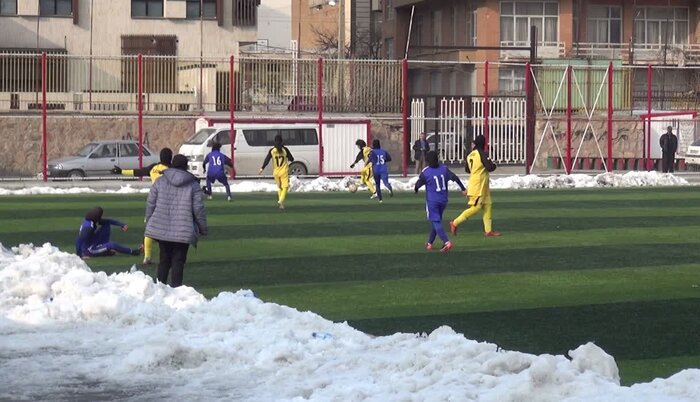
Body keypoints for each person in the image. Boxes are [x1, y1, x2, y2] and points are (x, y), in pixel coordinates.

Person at [145, 154, 208, 288]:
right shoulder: (193, 185)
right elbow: (198, 209)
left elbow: (150, 203)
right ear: (186, 166)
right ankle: (176, 291)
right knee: (178, 261)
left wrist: (150, 221)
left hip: (161, 227)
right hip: (183, 229)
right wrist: (203, 228)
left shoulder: (160, 181)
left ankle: (159, 289)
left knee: (164, 260)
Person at [112, 147, 173, 265]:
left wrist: (121, 171)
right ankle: (167, 256)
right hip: (167, 201)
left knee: (150, 228)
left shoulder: (153, 168)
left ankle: (147, 256)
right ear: (170, 158)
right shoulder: (171, 170)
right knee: (168, 228)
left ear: (160, 157)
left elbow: (137, 172)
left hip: (154, 199)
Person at [450, 135, 501, 237]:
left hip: (480, 184)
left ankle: (488, 230)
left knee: (488, 205)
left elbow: (467, 170)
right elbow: (490, 167)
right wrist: (494, 164)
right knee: (476, 208)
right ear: (483, 143)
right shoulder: (482, 154)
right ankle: (455, 222)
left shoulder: (470, 155)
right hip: (479, 186)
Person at [414, 151, 466, 252]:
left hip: (432, 201)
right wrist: (463, 189)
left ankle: (446, 242)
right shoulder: (444, 169)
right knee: (436, 221)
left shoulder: (426, 171)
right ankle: (429, 243)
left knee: (435, 221)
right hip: (443, 200)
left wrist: (416, 189)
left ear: (428, 160)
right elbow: (455, 178)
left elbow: (418, 183)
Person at [75, 207, 142, 259]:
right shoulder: (88, 227)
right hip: (89, 249)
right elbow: (79, 241)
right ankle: (132, 252)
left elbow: (108, 221)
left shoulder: (91, 220)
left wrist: (122, 225)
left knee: (106, 225)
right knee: (112, 245)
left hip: (92, 241)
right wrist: (80, 256)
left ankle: (105, 249)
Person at [259, 134, 294, 210]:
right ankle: (280, 201)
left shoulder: (272, 150)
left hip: (276, 172)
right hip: (284, 171)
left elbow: (267, 160)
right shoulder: (285, 149)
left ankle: (281, 205)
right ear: (281, 141)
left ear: (274, 141)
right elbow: (292, 159)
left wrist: (262, 168)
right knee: (285, 187)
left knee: (279, 187)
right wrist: (288, 159)